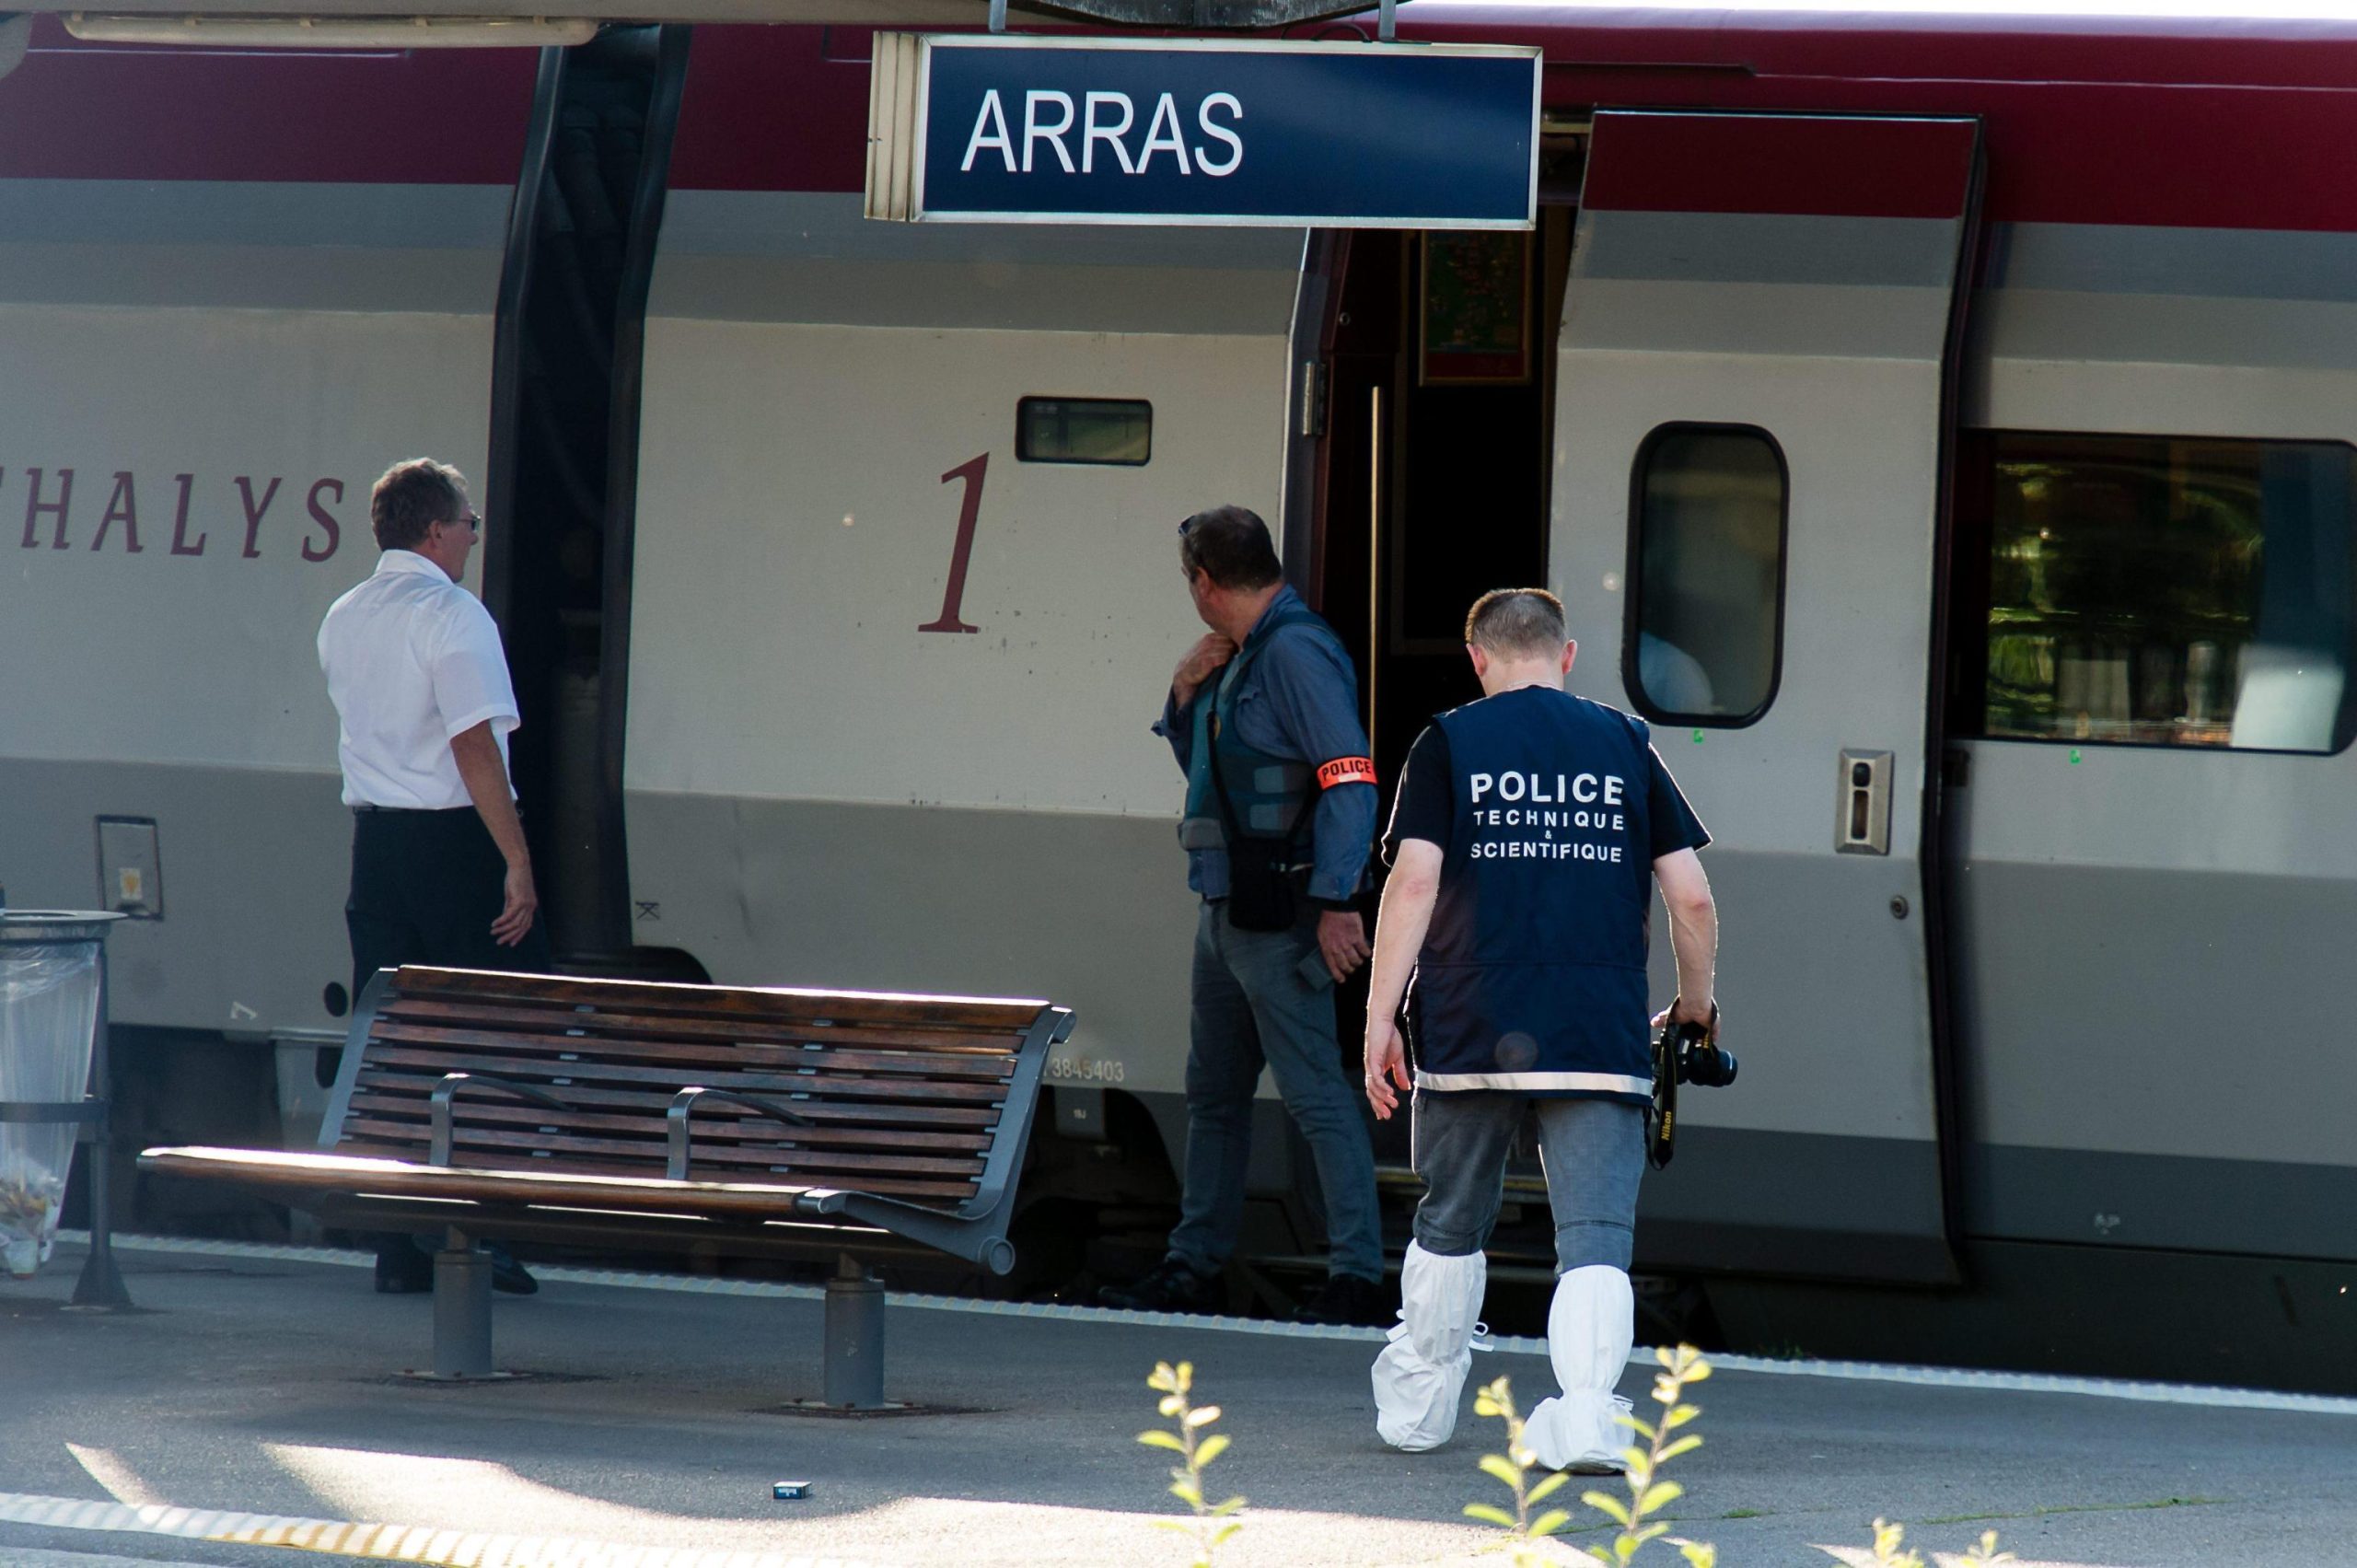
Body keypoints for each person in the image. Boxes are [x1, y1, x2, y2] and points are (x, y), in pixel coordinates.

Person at [1361, 587, 1717, 1469]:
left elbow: (1411, 886)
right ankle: (1591, 1418)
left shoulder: (1448, 740)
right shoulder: (1626, 742)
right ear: (1567, 656)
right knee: (1596, 1236)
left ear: (1477, 659)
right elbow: (1692, 897)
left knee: (1450, 1219)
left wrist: (1378, 1016)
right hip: (1598, 1032)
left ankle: (1419, 1408)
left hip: (1470, 1020)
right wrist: (1697, 1006)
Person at [1098, 505, 1389, 1326]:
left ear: (1204, 583)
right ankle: (1193, 1265)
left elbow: (1351, 777)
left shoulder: (1295, 653)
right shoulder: (1243, 654)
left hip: (1281, 913)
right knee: (1215, 1094)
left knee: (1316, 1097)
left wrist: (1336, 901)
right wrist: (1185, 691)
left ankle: (1358, 1277)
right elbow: (1218, 776)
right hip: (1226, 910)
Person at [317, 458, 549, 1296]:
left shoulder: (343, 615)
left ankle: (402, 1244)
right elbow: (474, 745)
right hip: (456, 846)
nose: (474, 537)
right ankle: (473, 1232)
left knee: (395, 1043)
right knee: (498, 1032)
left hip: (374, 849)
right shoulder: (453, 616)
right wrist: (517, 861)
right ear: (434, 531)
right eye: (469, 523)